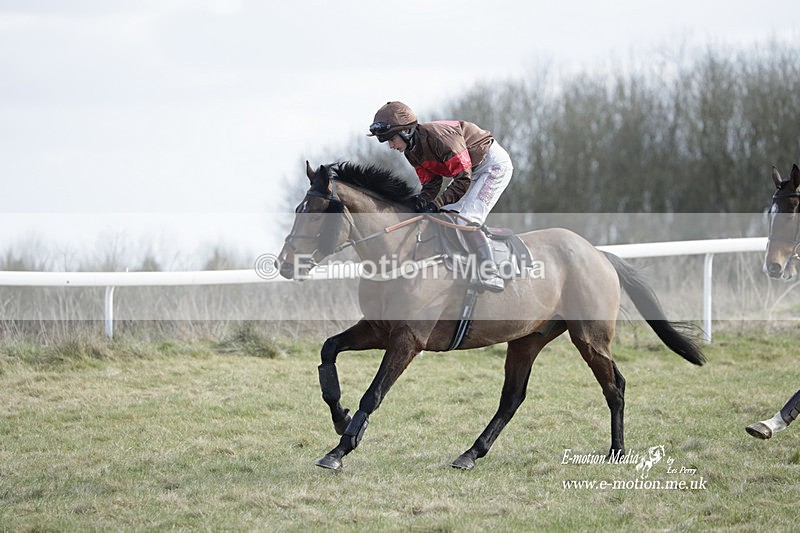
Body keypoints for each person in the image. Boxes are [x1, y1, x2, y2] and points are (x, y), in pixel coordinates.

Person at [368, 101, 513, 292]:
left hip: (491, 165)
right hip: (470, 171)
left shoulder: (440, 137)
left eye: (391, 139)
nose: (390, 146)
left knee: (466, 219)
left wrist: (437, 203)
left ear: (406, 131)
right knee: (446, 216)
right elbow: (431, 183)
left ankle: (491, 272)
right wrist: (420, 202)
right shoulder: (412, 152)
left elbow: (463, 179)